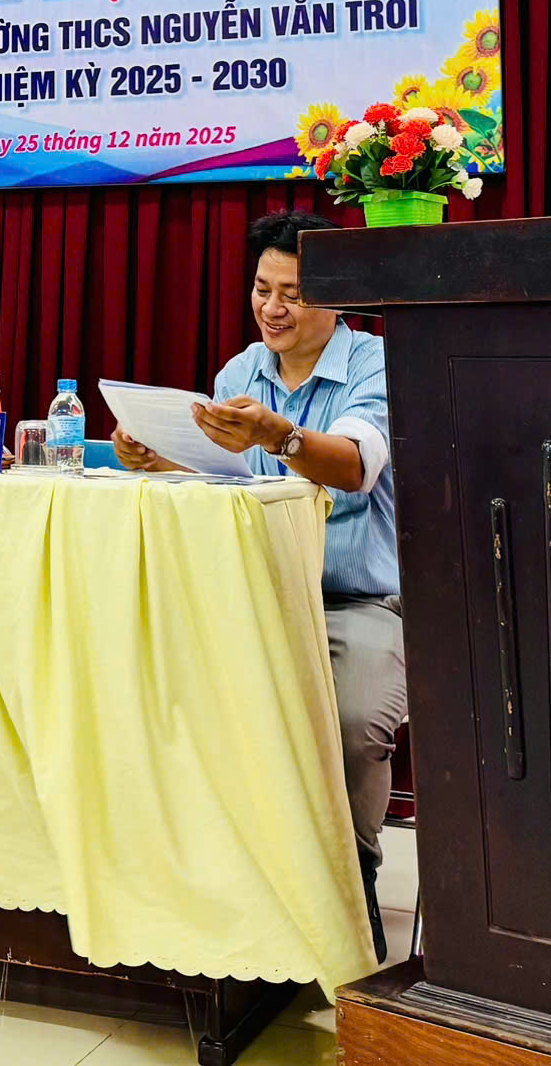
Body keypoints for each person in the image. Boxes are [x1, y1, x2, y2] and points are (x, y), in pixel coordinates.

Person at [113, 209, 404, 962]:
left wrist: (279, 434)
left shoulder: (376, 363)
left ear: (335, 297)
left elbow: (356, 467)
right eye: (261, 289)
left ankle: (354, 880)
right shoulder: (239, 374)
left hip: (356, 599)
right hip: (258, 594)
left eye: (293, 295)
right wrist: (160, 458)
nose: (272, 309)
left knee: (354, 721)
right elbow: (231, 483)